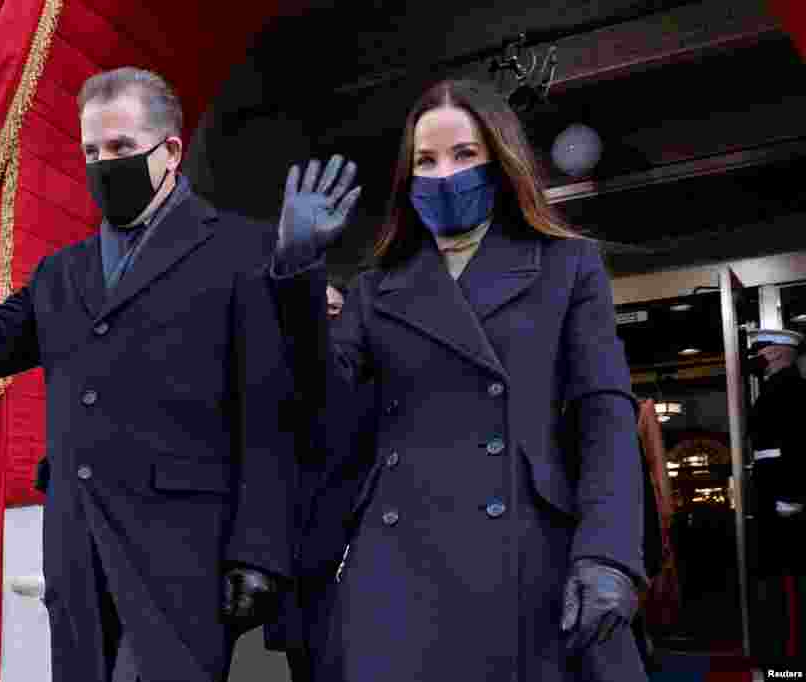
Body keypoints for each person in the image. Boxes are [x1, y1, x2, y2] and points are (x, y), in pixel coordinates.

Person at [0, 67, 297, 682]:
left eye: (121, 149)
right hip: (78, 554)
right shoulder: (64, 272)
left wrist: (261, 551)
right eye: (91, 150)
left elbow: (268, 413)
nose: (103, 163)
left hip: (183, 554)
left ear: (170, 151)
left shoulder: (242, 251)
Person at [269, 77, 647, 681]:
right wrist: (297, 273)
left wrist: (609, 552)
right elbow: (319, 412)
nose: (444, 174)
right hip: (396, 570)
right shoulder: (375, 289)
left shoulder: (567, 266)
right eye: (427, 160)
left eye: (464, 154)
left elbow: (603, 413)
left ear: (501, 161)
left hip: (531, 560)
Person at [265, 278, 378, 682]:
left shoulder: (374, 382)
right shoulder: (275, 386)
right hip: (297, 557)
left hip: (354, 547)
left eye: (333, 311)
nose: (323, 319)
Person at [746, 328, 806, 662]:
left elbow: (799, 444)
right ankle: (782, 664)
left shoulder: (794, 389)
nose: (759, 357)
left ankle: (791, 668)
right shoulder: (773, 387)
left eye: (763, 350)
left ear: (781, 352)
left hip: (785, 498)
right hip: (772, 492)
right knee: (778, 583)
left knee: (791, 587)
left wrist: (792, 496)